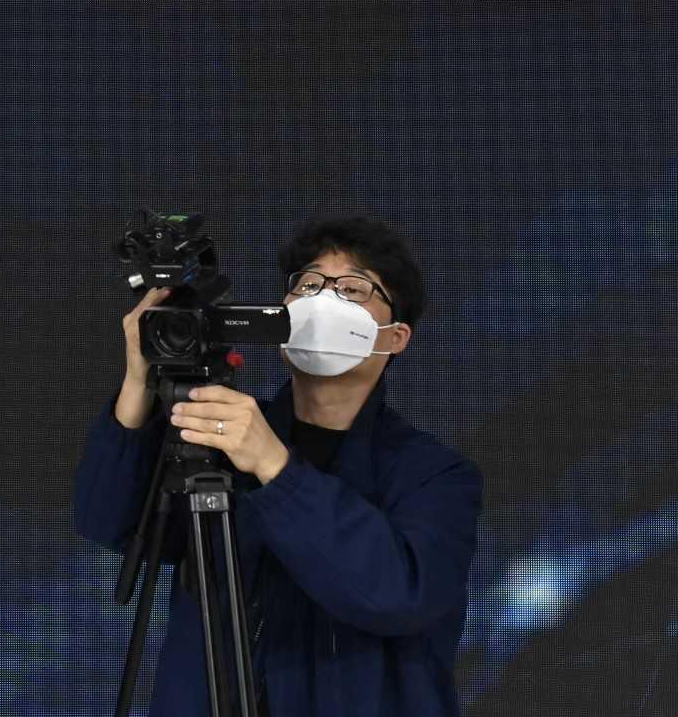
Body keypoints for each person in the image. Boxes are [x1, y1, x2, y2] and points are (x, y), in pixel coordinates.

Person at [74, 216, 482, 716]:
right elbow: (106, 520)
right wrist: (139, 380)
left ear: (395, 337)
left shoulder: (436, 474)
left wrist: (275, 468)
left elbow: (394, 594)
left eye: (353, 288)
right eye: (309, 284)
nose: (323, 300)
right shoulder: (221, 434)